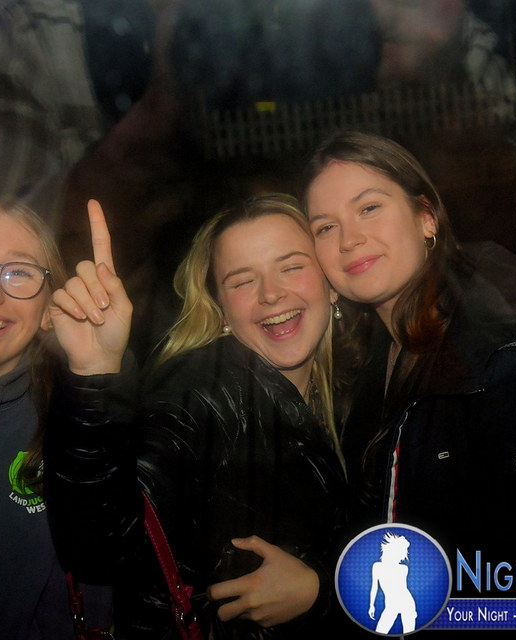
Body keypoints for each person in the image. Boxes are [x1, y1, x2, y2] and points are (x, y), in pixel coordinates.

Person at [43, 194, 348, 638]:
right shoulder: (199, 394)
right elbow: (100, 546)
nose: (270, 293)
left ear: (331, 283)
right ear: (221, 309)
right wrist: (95, 375)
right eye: (242, 281)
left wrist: (323, 586)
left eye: (291, 267)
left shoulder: (354, 386)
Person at [301, 130, 516, 602]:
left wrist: (326, 590)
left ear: (426, 217)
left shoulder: (508, 358)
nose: (349, 239)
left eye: (369, 208)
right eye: (325, 227)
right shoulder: (370, 357)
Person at [0, 198, 110, 639]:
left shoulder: (73, 423)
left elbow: (112, 564)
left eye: (19, 272)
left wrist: (100, 378)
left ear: (49, 309)